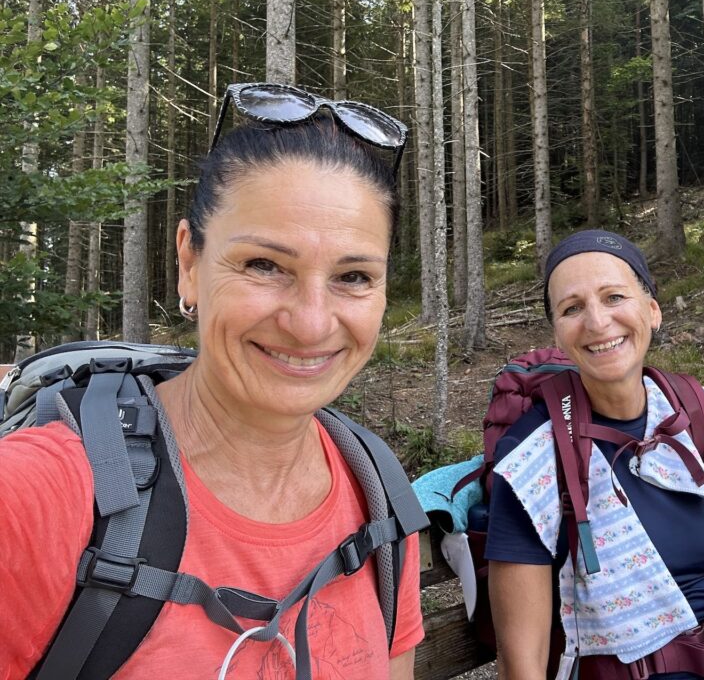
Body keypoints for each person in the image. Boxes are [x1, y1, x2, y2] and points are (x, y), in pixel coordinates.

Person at [0, 83, 422, 679]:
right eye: (264, 265)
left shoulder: (376, 488)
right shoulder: (37, 495)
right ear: (189, 264)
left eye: (353, 276)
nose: (310, 322)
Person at [485, 229, 704, 680]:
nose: (596, 322)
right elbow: (523, 660)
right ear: (558, 332)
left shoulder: (697, 415)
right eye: (572, 308)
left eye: (614, 297)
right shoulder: (533, 456)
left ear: (652, 311)